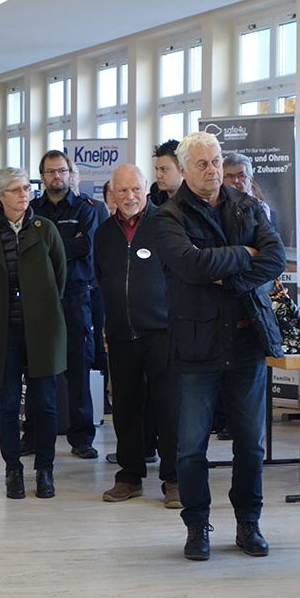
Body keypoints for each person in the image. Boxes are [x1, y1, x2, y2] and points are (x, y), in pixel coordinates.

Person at [151, 131, 285, 562]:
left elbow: (275, 258)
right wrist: (245, 252)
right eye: (202, 164)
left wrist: (225, 275)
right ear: (183, 170)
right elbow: (191, 266)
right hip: (196, 345)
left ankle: (249, 523)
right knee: (191, 446)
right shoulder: (167, 216)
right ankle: (197, 526)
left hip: (246, 341)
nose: (212, 170)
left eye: (216, 161)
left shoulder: (246, 204)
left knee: (250, 444)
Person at [0, 167, 66, 499]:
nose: (24, 194)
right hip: (3, 330)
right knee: (8, 403)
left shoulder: (45, 229)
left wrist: (41, 305)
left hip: (43, 328)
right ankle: (13, 470)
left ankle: (45, 470)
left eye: (27, 188)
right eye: (16, 189)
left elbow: (59, 277)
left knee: (44, 403)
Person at [94, 164, 180, 507]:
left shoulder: (166, 224)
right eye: (122, 190)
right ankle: (129, 476)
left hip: (162, 332)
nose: (129, 196)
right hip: (120, 333)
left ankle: (174, 478)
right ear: (112, 194)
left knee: (169, 408)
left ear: (146, 189)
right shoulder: (103, 233)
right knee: (126, 407)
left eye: (135, 189)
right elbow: (101, 277)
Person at [28, 150, 98, 459]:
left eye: (61, 171)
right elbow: (27, 248)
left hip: (75, 295)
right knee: (36, 368)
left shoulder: (86, 208)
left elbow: (85, 246)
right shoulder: (31, 209)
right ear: (42, 176)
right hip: (39, 296)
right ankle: (32, 435)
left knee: (78, 367)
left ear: (70, 174)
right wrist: (62, 244)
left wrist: (47, 243)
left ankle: (81, 438)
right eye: (50, 172)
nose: (56, 176)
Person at [223, 152, 278, 231]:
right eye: (229, 176)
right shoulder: (216, 204)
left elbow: (265, 236)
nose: (235, 181)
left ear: (251, 180)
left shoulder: (261, 207)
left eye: (241, 176)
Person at [150, 139, 183, 206]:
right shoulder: (155, 197)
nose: (157, 175)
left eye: (164, 169)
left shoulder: (196, 201)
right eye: (157, 169)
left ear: (182, 170)